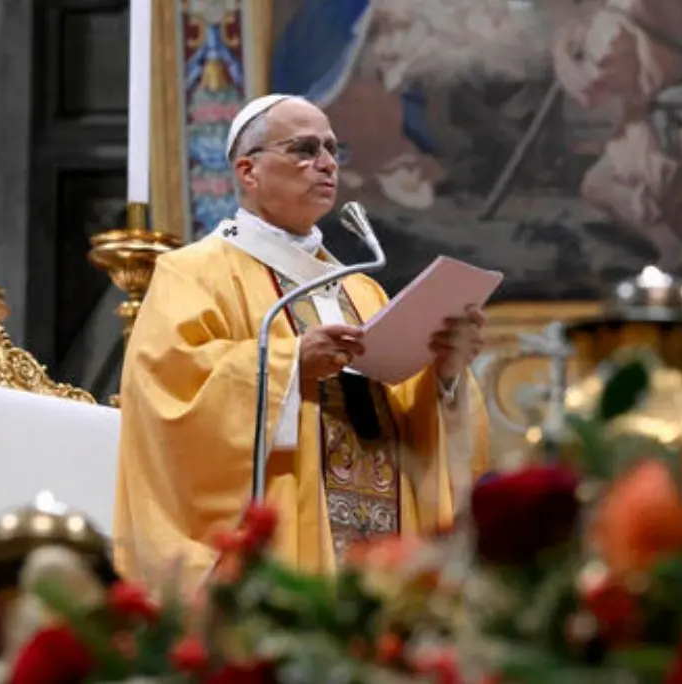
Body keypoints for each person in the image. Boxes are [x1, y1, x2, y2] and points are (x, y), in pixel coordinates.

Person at [112, 94, 489, 593]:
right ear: (249, 171)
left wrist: (444, 373)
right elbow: (167, 399)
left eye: (333, 149)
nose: (328, 163)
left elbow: (406, 416)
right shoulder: (195, 272)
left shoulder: (361, 287)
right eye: (305, 149)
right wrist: (289, 366)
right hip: (290, 537)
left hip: (384, 538)